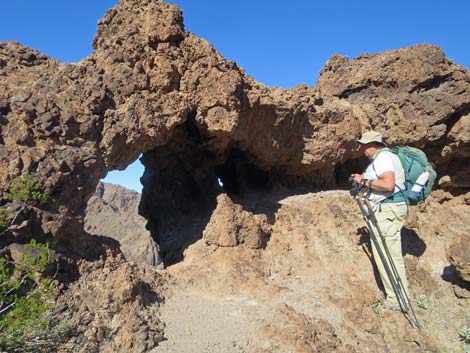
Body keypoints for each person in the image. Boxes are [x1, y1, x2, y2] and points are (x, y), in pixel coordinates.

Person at [351, 131, 410, 311]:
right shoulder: (386, 158)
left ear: (373, 145)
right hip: (389, 209)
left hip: (387, 211)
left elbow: (388, 185)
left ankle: (397, 300)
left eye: (364, 145)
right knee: (389, 253)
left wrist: (363, 181)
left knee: (387, 255)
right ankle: (399, 297)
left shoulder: (383, 158)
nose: (362, 150)